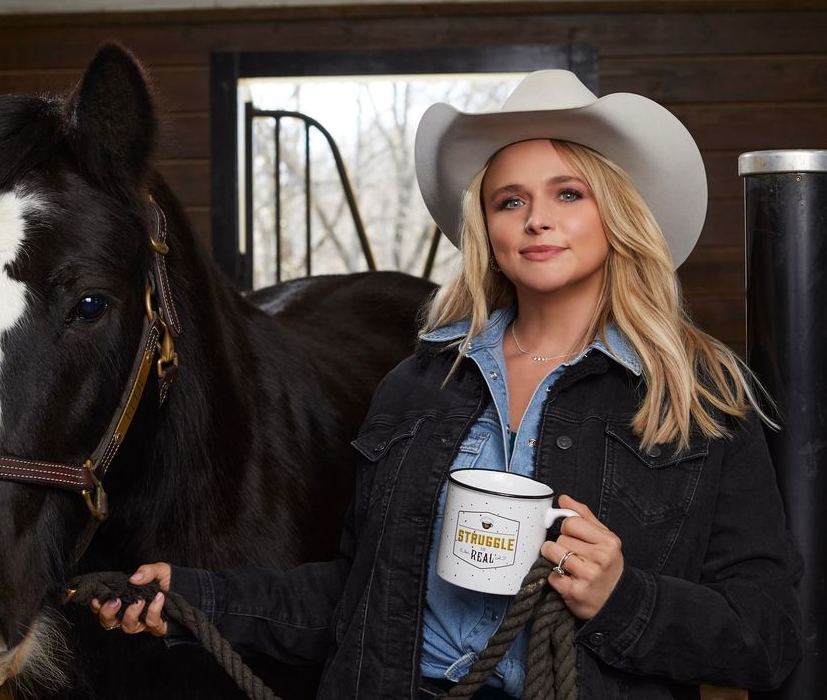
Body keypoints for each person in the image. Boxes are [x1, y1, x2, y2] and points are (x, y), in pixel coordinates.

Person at [92, 70, 802, 699]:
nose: (538, 220)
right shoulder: (419, 384)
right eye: (510, 201)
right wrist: (195, 596)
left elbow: (767, 640)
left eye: (568, 193)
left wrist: (623, 598)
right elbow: (360, 594)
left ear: (615, 216)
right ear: (487, 228)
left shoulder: (700, 401)